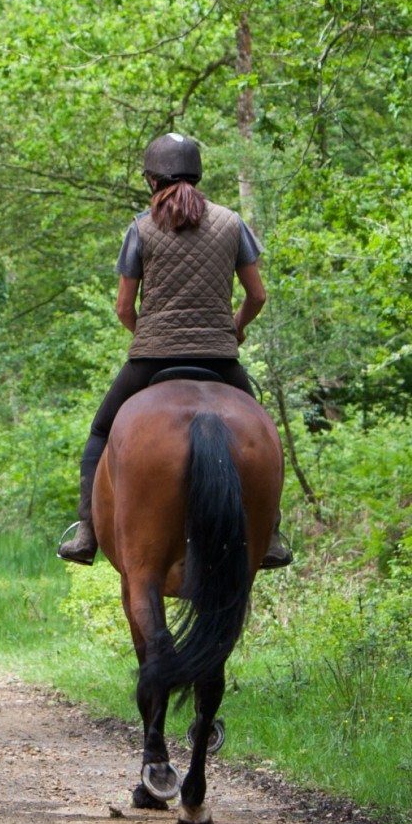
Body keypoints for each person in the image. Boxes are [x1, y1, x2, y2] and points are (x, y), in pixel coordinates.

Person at [57, 133, 292, 569]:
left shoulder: (141, 228)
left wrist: (147, 333)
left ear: (152, 179)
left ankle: (86, 532)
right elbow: (257, 295)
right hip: (220, 359)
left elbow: (124, 306)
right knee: (263, 436)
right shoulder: (231, 223)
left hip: (151, 360)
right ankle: (272, 533)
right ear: (198, 175)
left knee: (100, 434)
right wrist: (233, 330)